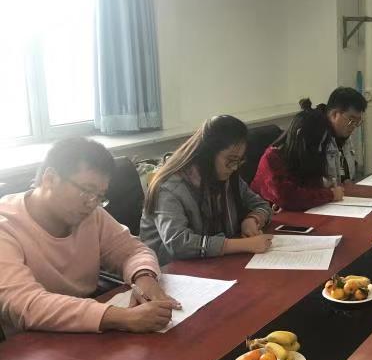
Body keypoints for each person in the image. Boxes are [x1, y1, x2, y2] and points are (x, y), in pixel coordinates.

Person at [0, 137, 180, 335]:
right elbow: (24, 304)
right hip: (30, 341)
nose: (92, 203)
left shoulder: (90, 214)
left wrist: (143, 277)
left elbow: (133, 251)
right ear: (50, 178)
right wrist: (120, 317)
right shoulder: (6, 226)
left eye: (100, 196)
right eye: (86, 191)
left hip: (88, 329)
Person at [140, 115, 273, 265]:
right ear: (208, 154)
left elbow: (262, 205)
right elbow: (178, 244)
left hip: (213, 263)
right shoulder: (169, 188)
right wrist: (242, 245)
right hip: (170, 270)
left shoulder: (227, 176)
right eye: (230, 160)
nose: (235, 167)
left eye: (238, 161)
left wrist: (252, 219)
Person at [250, 100, 345, 211]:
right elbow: (288, 198)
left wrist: (325, 190)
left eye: (322, 144)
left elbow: (312, 188)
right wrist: (330, 194)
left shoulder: (308, 155)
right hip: (265, 216)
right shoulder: (271, 158)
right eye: (315, 144)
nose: (318, 150)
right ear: (300, 135)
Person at [323, 86, 368, 183]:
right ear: (334, 115)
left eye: (358, 122)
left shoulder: (344, 136)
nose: (354, 126)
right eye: (351, 120)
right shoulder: (316, 139)